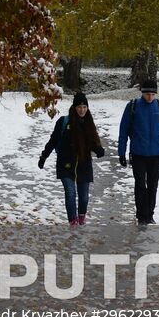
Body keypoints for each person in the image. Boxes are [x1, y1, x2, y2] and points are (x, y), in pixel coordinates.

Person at [38, 92, 106, 227]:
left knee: (84, 197)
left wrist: (98, 149)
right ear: (74, 107)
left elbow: (93, 141)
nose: (82, 110)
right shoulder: (64, 122)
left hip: (83, 164)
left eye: (84, 107)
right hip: (66, 163)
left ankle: (81, 218)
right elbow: (53, 140)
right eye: (79, 107)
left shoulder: (89, 124)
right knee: (70, 193)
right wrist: (44, 156)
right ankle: (73, 221)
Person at [118, 79, 159, 226]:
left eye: (152, 94)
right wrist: (121, 152)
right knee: (140, 185)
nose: (150, 97)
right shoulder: (133, 107)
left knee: (152, 185)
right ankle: (141, 215)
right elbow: (123, 130)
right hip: (138, 154)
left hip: (156, 154)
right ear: (142, 93)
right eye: (147, 94)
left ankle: (149, 214)